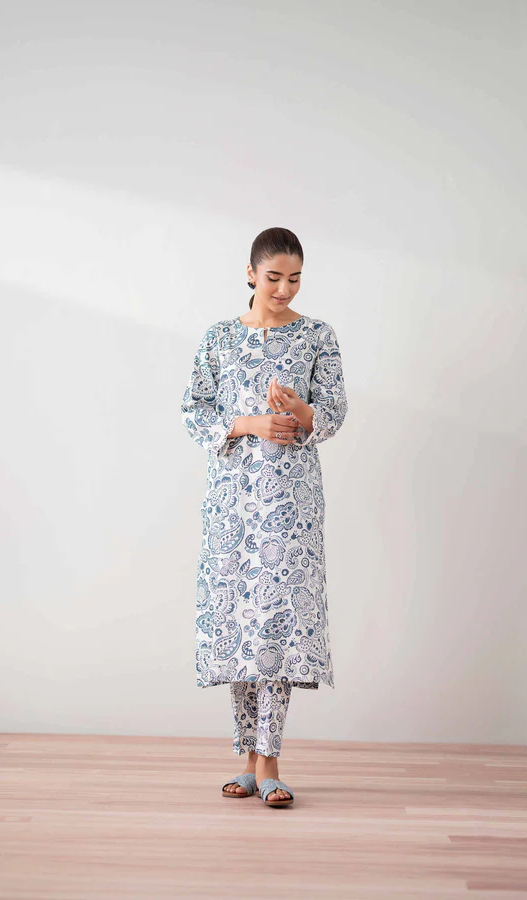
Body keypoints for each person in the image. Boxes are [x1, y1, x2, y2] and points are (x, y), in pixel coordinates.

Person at [180, 226, 348, 807]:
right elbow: (193, 409)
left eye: (295, 278)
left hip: (289, 505)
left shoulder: (318, 336)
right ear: (250, 273)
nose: (284, 289)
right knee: (239, 624)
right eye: (274, 277)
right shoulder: (219, 338)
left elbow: (333, 412)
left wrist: (302, 410)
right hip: (232, 504)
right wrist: (247, 423)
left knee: (276, 623)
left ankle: (270, 760)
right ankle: (246, 759)